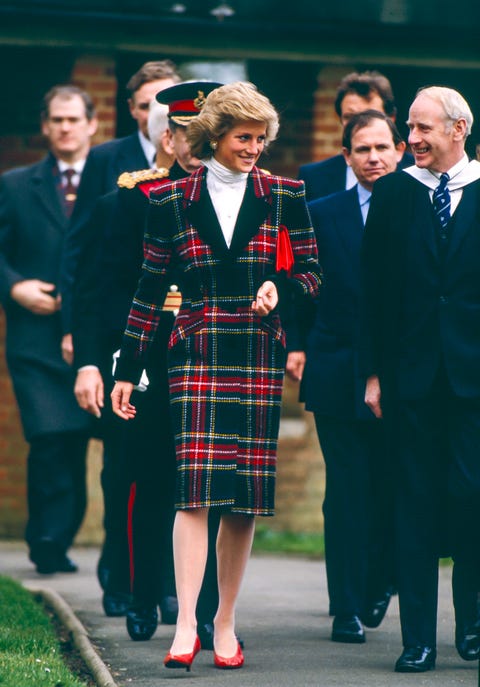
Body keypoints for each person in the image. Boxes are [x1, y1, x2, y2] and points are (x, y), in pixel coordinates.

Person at [111, 81, 322, 672]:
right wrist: (127, 369)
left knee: (245, 499)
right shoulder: (170, 199)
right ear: (214, 136)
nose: (254, 148)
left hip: (258, 353)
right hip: (195, 351)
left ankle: (225, 621)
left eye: (261, 138)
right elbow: (148, 291)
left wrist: (281, 289)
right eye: (242, 138)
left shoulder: (286, 195)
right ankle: (185, 626)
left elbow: (311, 275)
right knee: (195, 492)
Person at [72, 81, 223, 645]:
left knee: (205, 486)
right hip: (144, 353)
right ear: (169, 135)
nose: (197, 145)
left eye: (209, 135)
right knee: (146, 479)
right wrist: (99, 362)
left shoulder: (230, 199)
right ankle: (142, 594)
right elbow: (98, 291)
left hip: (209, 353)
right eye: (188, 133)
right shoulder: (130, 200)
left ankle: (199, 609)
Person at [360, 86, 480, 672]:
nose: (411, 139)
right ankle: (419, 641)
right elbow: (374, 293)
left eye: (423, 128)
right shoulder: (393, 196)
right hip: (410, 380)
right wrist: (375, 374)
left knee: (473, 498)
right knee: (413, 505)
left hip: (474, 381)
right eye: (409, 127)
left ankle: (473, 625)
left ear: (460, 129)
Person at [63, 60, 181, 603]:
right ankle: (122, 569)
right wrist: (87, 349)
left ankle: (169, 584)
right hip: (124, 340)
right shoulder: (112, 170)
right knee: (123, 465)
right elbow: (87, 262)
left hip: (187, 344)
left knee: (177, 471)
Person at [287, 110, 405, 644]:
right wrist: (295, 345)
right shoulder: (320, 212)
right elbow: (300, 285)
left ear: (399, 151)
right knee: (347, 490)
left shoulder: (419, 208)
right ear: (347, 156)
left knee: (391, 486)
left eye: (382, 147)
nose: (374, 158)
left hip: (402, 374)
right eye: (362, 150)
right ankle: (346, 607)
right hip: (336, 368)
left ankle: (382, 580)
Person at [0, 84, 97, 574]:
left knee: (77, 438)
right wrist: (14, 287)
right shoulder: (16, 185)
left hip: (90, 337)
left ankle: (63, 535)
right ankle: (47, 542)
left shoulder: (111, 184)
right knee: (50, 436)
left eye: (73, 119)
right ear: (45, 126)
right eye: (56, 119)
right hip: (34, 341)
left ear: (91, 125)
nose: (65, 127)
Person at [298, 70, 412, 201]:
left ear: (391, 118)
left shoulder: (419, 173)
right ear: (340, 119)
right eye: (350, 117)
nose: (360, 124)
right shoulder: (314, 177)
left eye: (371, 116)